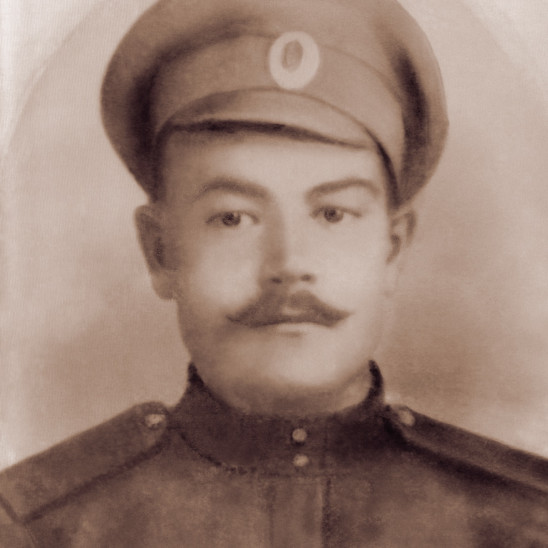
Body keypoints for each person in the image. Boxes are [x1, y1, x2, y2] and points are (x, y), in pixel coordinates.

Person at [1, 0, 547, 545]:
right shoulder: (41, 528)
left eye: (332, 214)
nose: (288, 266)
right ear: (160, 252)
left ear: (393, 248)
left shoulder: (522, 523)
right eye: (232, 218)